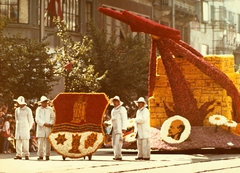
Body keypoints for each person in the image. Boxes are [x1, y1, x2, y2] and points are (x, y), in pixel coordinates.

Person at [14, 96, 34, 160]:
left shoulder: (28, 110)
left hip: (25, 127)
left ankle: (26, 154)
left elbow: (31, 120)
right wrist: (17, 125)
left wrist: (29, 128)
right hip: (18, 126)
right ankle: (18, 154)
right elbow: (16, 118)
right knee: (18, 140)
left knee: (25, 141)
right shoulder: (17, 110)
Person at [35, 96, 54, 161]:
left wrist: (50, 123)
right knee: (40, 142)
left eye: (45, 102)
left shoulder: (50, 109)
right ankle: (40, 155)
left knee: (48, 142)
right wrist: (44, 123)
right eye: (43, 102)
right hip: (41, 127)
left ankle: (47, 155)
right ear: (41, 103)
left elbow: (52, 117)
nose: (44, 103)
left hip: (48, 127)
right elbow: (37, 119)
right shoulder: (38, 109)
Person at [110, 96, 128, 160]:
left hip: (119, 128)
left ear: (119, 102)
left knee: (118, 142)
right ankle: (115, 155)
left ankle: (119, 155)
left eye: (116, 101)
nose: (115, 103)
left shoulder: (122, 109)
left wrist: (124, 127)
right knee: (114, 142)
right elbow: (112, 119)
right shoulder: (113, 110)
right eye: (114, 101)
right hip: (114, 128)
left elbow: (124, 118)